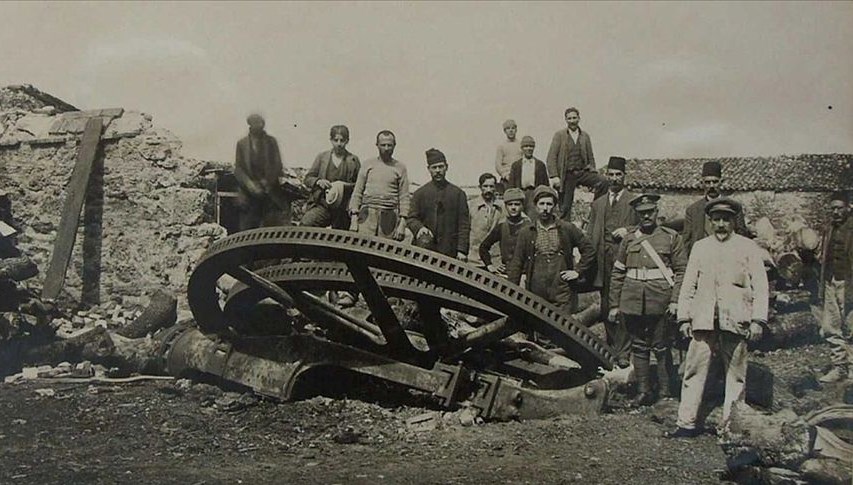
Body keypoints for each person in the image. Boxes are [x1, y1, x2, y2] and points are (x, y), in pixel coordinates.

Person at [667, 197, 768, 438]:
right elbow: (689, 284)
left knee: (736, 376)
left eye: (726, 219)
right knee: (693, 371)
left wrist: (758, 320)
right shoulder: (701, 247)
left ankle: (730, 426)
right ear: (710, 222)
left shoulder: (747, 247)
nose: (721, 224)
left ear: (733, 222)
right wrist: (684, 318)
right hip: (703, 319)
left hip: (736, 318)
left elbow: (761, 286)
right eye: (716, 220)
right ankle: (686, 423)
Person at [608, 194, 686, 404]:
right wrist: (614, 304)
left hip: (661, 301)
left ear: (656, 212)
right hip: (632, 301)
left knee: (661, 346)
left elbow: (681, 272)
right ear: (637, 214)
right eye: (642, 213)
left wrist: (675, 301)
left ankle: (665, 392)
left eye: (650, 212)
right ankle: (644, 391)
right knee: (639, 346)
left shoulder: (670, 237)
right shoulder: (628, 239)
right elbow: (618, 273)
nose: (646, 216)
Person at [508, 185, 595, 312]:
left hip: (562, 289)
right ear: (535, 206)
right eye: (541, 204)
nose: (545, 208)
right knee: (537, 325)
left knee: (562, 325)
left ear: (554, 206)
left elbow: (589, 249)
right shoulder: (527, 232)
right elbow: (517, 262)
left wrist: (578, 271)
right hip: (536, 289)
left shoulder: (567, 228)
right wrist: (511, 290)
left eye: (549, 204)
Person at [587, 156, 640, 366]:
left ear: (625, 176)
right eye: (612, 175)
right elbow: (590, 232)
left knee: (623, 304)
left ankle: (624, 352)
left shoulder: (633, 201)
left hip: (625, 261)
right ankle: (610, 348)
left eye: (619, 175)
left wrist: (627, 230)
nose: (615, 179)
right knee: (607, 303)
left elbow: (645, 228)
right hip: (603, 260)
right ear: (607, 176)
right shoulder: (598, 204)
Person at [545, 107, 608, 221]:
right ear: (565, 120)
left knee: (603, 181)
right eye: (569, 118)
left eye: (574, 118)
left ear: (579, 118)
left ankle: (596, 209)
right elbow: (551, 157)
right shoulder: (559, 135)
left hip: (582, 172)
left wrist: (592, 170)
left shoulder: (585, 136)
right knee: (565, 207)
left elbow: (590, 156)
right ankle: (565, 231)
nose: (572, 121)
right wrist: (554, 176)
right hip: (567, 175)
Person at [816, 191, 853, 383]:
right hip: (832, 281)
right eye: (833, 209)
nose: (836, 212)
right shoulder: (828, 228)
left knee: (851, 326)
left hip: (850, 284)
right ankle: (839, 367)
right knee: (831, 326)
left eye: (840, 208)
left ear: (848, 207)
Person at [407, 148, 470, 260]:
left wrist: (462, 250)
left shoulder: (458, 194)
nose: (437, 170)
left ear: (446, 167)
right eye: (434, 167)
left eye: (440, 167)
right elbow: (411, 218)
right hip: (424, 250)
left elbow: (463, 224)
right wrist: (419, 228)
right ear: (428, 169)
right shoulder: (420, 193)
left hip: (449, 250)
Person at [348, 130, 409, 241]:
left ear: (394, 145)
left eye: (389, 145)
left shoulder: (400, 168)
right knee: (362, 248)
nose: (386, 148)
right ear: (377, 145)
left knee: (385, 252)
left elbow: (404, 197)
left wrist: (402, 224)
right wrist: (354, 218)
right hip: (367, 216)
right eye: (383, 145)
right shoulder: (368, 164)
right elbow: (357, 192)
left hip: (389, 217)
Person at [233, 114, 290, 231]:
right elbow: (238, 168)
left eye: (260, 123)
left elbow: (277, 165)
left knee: (271, 229)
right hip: (249, 195)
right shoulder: (242, 144)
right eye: (255, 123)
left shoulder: (271, 142)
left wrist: (267, 182)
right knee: (247, 231)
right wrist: (249, 184)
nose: (258, 126)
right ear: (249, 125)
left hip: (269, 193)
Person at [682, 160, 749, 256]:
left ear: (721, 182)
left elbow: (742, 235)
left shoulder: (733, 207)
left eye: (715, 182)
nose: (711, 186)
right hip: (701, 257)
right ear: (702, 183)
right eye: (708, 182)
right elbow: (686, 240)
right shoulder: (692, 210)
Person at [302, 125, 361, 230]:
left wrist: (344, 186)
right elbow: (308, 178)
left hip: (343, 209)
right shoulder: (322, 157)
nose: (339, 144)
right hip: (322, 205)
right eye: (335, 140)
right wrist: (318, 181)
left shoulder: (353, 160)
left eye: (342, 140)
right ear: (331, 140)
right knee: (306, 224)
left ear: (347, 141)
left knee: (342, 237)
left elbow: (359, 186)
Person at [479, 188, 530, 276]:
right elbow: (483, 247)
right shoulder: (502, 227)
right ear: (505, 206)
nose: (513, 207)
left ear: (522, 206)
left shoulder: (529, 227)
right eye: (510, 204)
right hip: (506, 274)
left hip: (525, 275)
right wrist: (491, 265)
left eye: (517, 204)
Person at [508, 135, 549, 220]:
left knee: (532, 217)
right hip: (520, 193)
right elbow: (511, 184)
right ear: (522, 148)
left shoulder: (540, 165)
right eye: (526, 146)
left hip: (533, 194)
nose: (529, 149)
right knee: (518, 217)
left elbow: (545, 185)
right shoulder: (516, 165)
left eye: (531, 146)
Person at [468, 173, 504, 267]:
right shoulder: (471, 206)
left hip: (495, 259)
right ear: (480, 187)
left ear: (495, 187)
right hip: (474, 259)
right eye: (485, 186)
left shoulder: (502, 206)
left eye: (491, 186)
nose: (488, 190)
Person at [495, 119, 523, 195]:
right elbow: (498, 165)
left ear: (516, 130)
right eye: (508, 128)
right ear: (505, 131)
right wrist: (505, 175)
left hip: (519, 178)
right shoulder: (501, 146)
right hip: (507, 179)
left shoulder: (521, 145)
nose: (511, 130)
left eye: (513, 128)